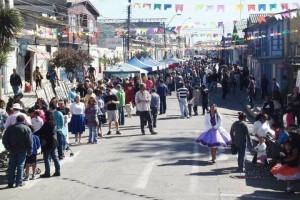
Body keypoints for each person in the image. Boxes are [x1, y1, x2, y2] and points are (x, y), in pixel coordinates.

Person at [2, 115, 33, 188]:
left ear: (16, 120)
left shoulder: (10, 128)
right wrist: (30, 149)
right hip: (22, 150)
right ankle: (19, 182)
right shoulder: (27, 128)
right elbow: (30, 141)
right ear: (23, 120)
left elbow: (4, 139)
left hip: (12, 149)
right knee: (20, 166)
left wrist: (8, 147)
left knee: (12, 166)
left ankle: (10, 182)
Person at [35, 111, 61, 178]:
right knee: (55, 157)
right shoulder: (54, 123)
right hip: (54, 142)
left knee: (47, 158)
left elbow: (40, 131)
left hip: (47, 143)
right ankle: (58, 171)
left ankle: (47, 172)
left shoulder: (47, 124)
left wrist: (33, 132)